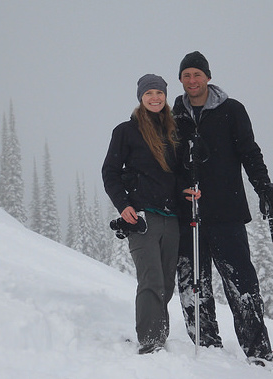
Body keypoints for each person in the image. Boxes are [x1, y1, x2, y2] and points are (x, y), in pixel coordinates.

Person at [173, 51, 273, 369]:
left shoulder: (232, 110)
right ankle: (206, 348)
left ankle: (258, 352)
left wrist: (263, 185)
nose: (192, 81)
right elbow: (167, 160)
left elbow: (249, 151)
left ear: (208, 76)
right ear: (181, 80)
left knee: (241, 284)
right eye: (186, 76)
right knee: (192, 283)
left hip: (226, 212)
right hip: (188, 214)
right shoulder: (175, 115)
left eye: (196, 74)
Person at [102, 74, 180, 355]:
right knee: (151, 280)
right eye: (149, 93)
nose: (155, 97)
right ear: (141, 97)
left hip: (172, 218)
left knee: (167, 282)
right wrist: (124, 205)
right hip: (142, 218)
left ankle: (159, 334)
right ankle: (150, 341)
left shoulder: (174, 132)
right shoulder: (126, 131)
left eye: (159, 92)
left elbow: (180, 173)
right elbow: (110, 172)